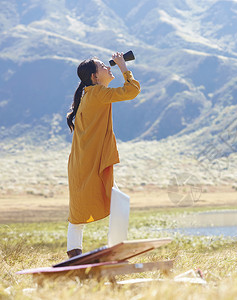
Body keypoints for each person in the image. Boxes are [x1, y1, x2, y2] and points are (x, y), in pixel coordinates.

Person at [66, 52, 140, 258]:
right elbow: (131, 91)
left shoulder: (89, 94)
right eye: (103, 67)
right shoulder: (97, 93)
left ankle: (78, 256)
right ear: (94, 77)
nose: (109, 68)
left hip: (83, 162)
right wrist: (124, 67)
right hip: (88, 163)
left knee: (79, 213)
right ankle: (114, 252)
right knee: (115, 204)